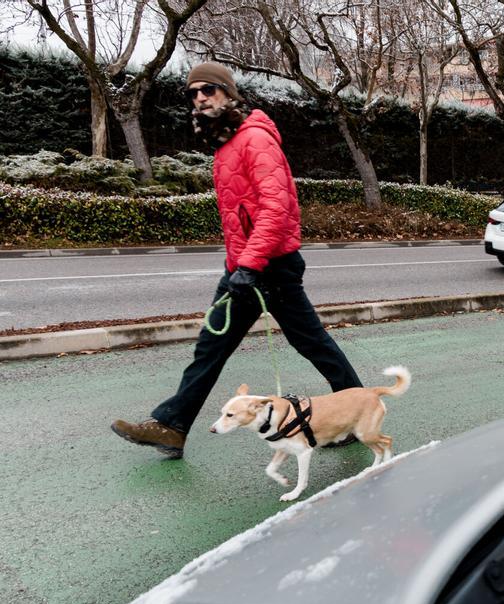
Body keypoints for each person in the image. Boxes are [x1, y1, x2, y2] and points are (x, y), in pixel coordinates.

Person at [112, 62, 362, 459]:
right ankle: (171, 426)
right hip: (244, 266)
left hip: (269, 266)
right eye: (192, 93)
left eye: (208, 90)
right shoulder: (227, 142)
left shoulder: (254, 139)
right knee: (211, 348)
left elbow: (275, 209)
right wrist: (240, 265)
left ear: (229, 93)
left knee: (312, 343)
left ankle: (354, 414)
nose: (199, 98)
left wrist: (249, 264)